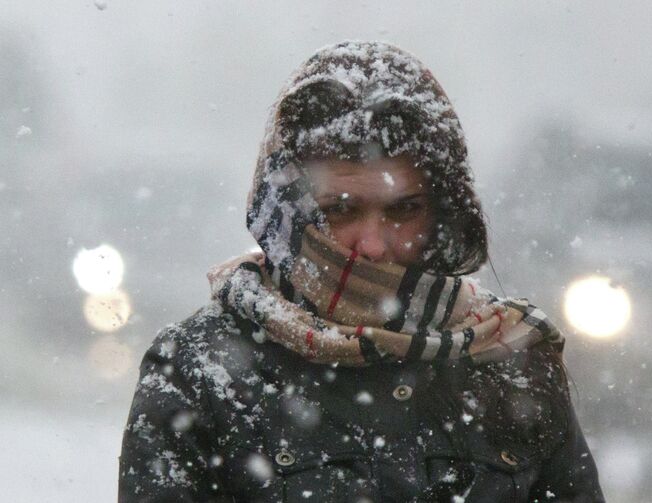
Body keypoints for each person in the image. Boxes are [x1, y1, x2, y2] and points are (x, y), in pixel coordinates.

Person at [119, 40, 604, 502]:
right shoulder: (201, 368)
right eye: (341, 210)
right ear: (290, 213)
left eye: (403, 210)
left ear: (443, 214)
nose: (372, 245)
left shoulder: (508, 358)